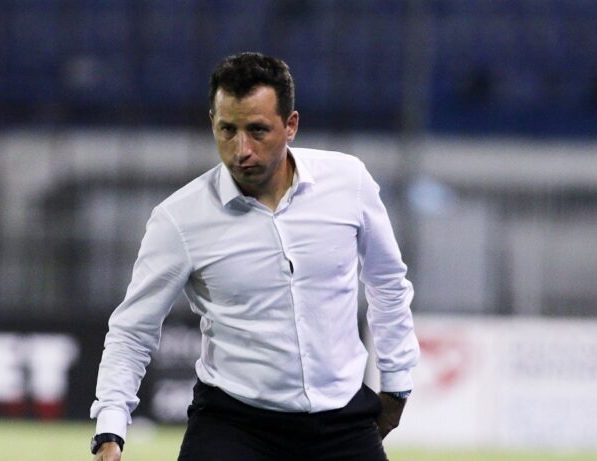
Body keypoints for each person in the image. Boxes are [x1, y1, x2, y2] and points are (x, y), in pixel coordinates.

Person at [90, 52, 419, 461]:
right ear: (212, 122)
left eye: (257, 130)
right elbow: (132, 330)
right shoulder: (179, 219)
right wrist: (110, 428)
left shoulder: (348, 182)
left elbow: (387, 282)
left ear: (291, 125)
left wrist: (396, 383)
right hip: (234, 425)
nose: (241, 150)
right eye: (227, 130)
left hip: (342, 421)